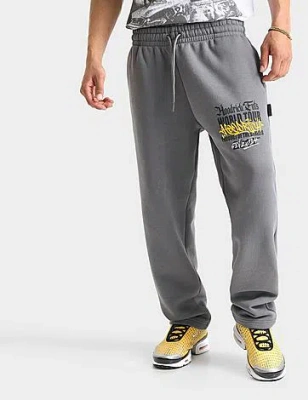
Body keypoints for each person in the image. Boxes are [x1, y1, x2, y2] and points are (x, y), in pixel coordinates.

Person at [80, 0, 292, 381]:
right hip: (151, 49)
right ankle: (186, 317)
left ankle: (255, 317)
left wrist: (281, 25)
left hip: (223, 38)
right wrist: (94, 54)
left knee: (255, 182)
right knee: (162, 194)